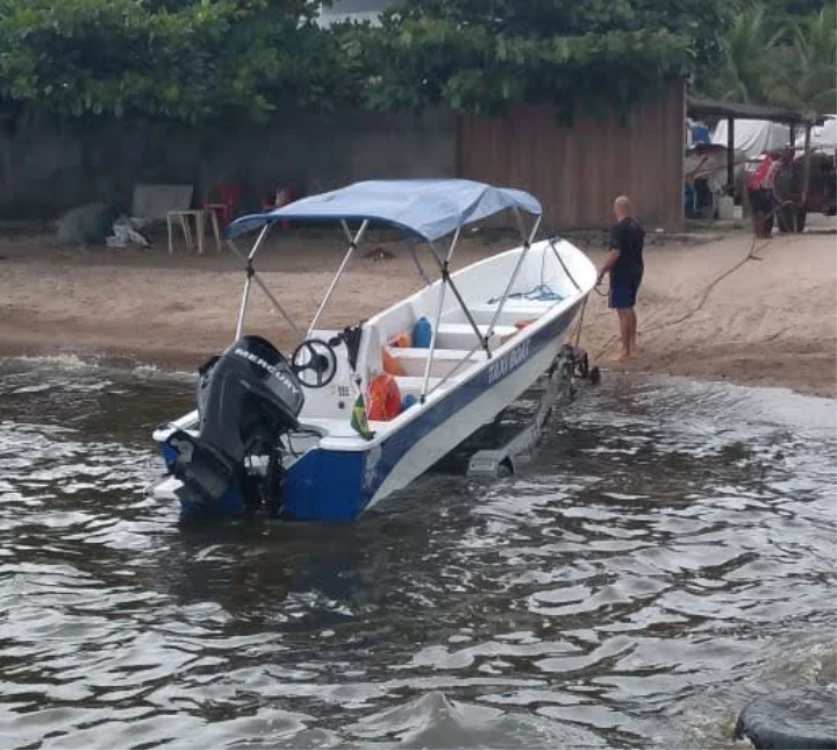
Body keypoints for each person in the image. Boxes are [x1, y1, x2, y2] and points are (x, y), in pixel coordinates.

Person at [597, 196, 645, 361]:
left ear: (616, 209)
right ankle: (632, 343)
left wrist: (602, 271)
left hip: (622, 272)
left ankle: (625, 351)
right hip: (637, 270)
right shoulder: (637, 228)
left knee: (623, 310)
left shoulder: (618, 229)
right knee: (629, 307)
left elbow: (615, 252)